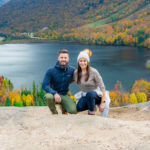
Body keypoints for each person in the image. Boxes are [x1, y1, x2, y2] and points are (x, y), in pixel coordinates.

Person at [73, 49, 110, 117]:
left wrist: (103, 102)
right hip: (85, 95)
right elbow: (69, 80)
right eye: (81, 61)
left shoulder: (93, 71)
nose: (82, 63)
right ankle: (92, 105)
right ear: (78, 62)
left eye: (84, 61)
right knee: (79, 107)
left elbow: (102, 87)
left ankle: (91, 113)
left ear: (87, 61)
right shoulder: (76, 73)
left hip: (97, 95)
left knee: (90, 94)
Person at [42, 49, 77, 114]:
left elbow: (80, 77)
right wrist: (54, 93)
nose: (63, 59)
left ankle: (64, 107)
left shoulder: (72, 70)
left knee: (73, 111)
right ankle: (54, 111)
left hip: (64, 94)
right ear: (58, 58)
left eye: (65, 57)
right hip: (52, 94)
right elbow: (45, 85)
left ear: (68, 59)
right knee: (48, 97)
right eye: (61, 57)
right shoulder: (50, 70)